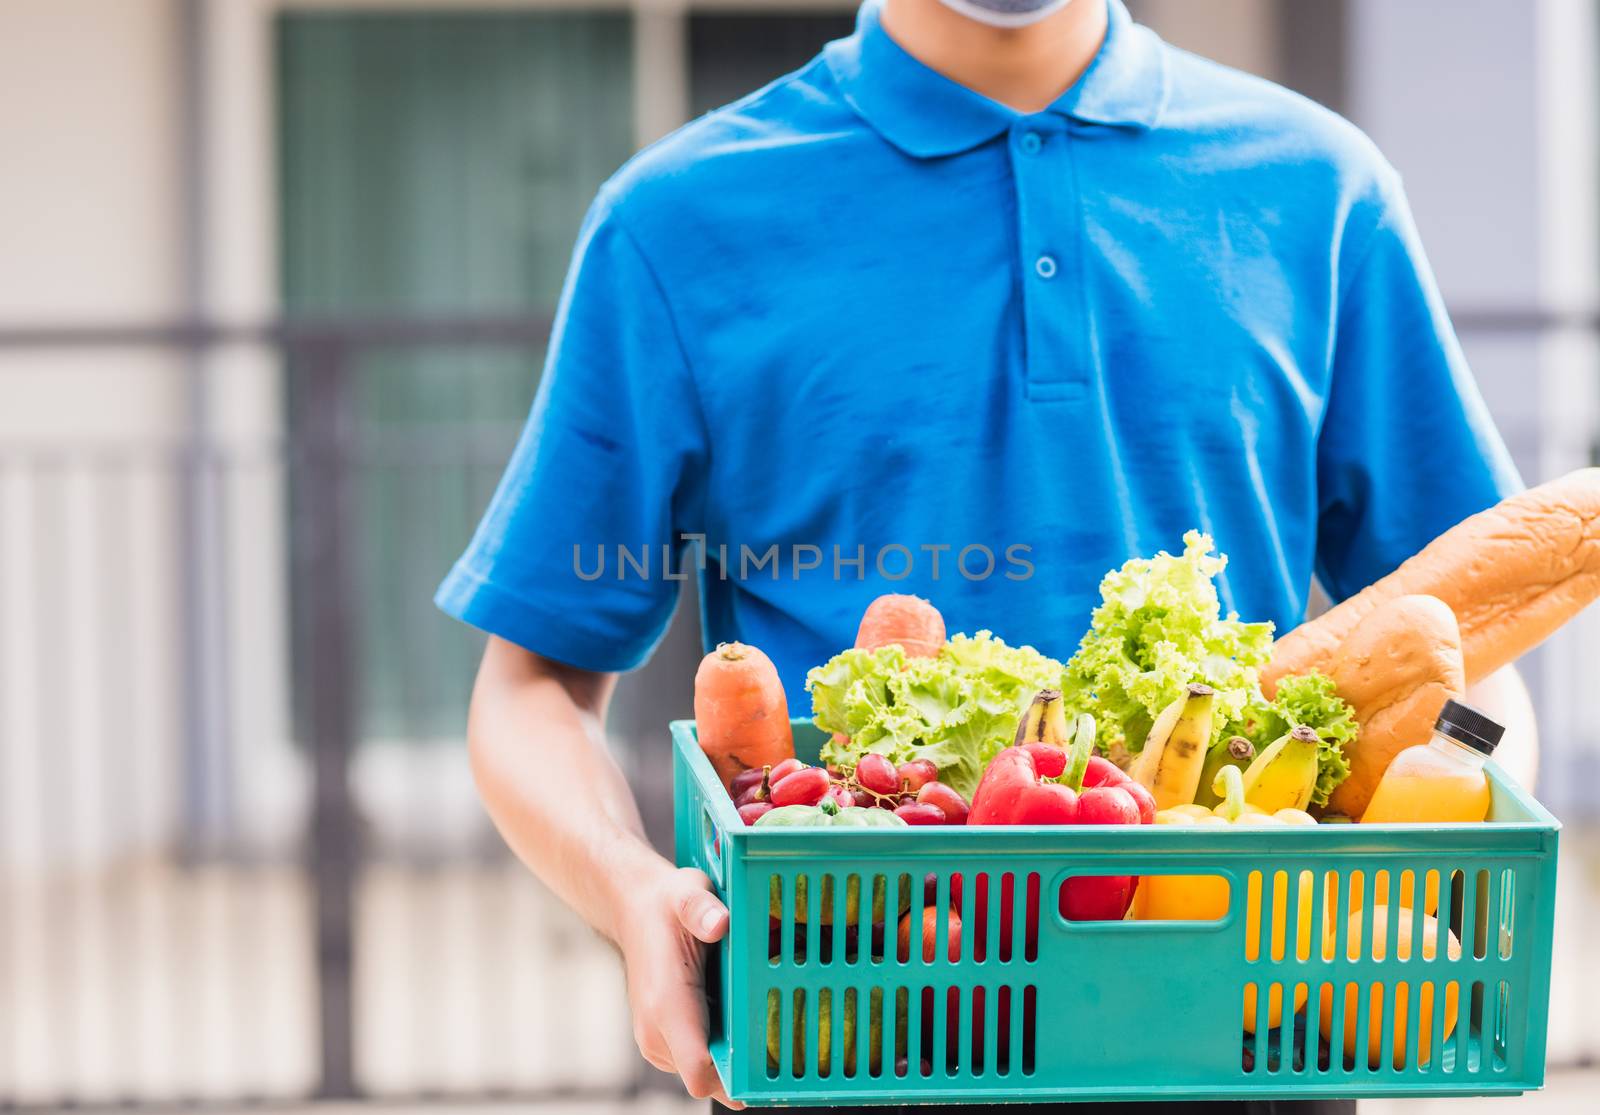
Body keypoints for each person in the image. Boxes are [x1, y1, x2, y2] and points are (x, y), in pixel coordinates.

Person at [436, 0, 1538, 1110]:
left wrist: (1450, 800)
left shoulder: (1320, 190)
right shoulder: (675, 224)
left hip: (1241, 1041)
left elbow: (1472, 647)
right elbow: (535, 679)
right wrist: (631, 892)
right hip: (849, 1037)